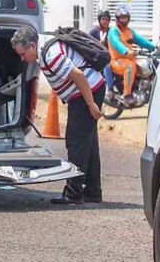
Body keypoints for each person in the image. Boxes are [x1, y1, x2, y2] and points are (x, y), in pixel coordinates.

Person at [11, 25, 105, 205]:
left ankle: (73, 193)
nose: (23, 59)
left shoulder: (50, 55)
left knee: (75, 142)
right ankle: (93, 191)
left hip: (86, 92)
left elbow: (78, 75)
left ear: (32, 45)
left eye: (23, 54)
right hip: (88, 91)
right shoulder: (44, 46)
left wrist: (91, 104)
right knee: (88, 143)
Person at [107, 5, 156, 105]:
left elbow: (141, 40)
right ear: (117, 19)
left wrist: (154, 47)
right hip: (116, 60)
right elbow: (117, 43)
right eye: (122, 18)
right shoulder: (114, 31)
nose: (124, 20)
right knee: (130, 66)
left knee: (145, 65)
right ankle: (126, 95)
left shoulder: (129, 31)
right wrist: (126, 51)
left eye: (125, 18)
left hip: (130, 58)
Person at [89, 10, 114, 96]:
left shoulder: (112, 32)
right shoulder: (94, 31)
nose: (105, 21)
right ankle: (110, 89)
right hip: (98, 57)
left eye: (107, 19)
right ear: (99, 20)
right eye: (103, 19)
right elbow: (88, 44)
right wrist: (99, 43)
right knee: (107, 66)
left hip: (112, 56)